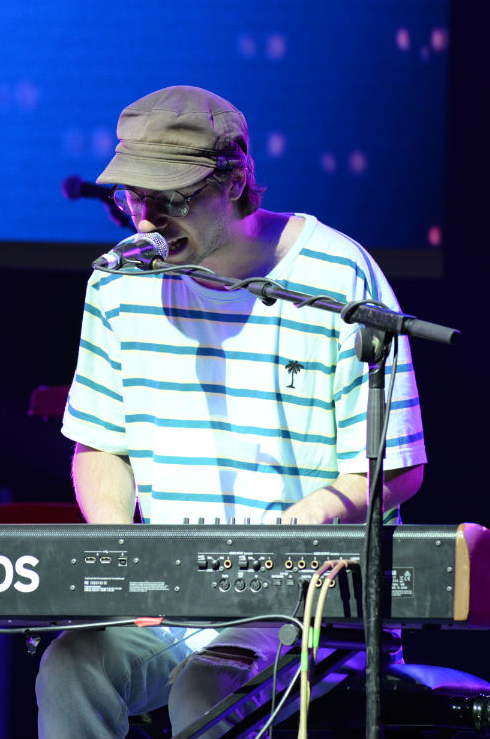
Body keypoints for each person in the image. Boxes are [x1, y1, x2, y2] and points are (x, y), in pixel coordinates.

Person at [36, 85, 427, 738]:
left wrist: (292, 531)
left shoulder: (338, 278)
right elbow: (101, 445)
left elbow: (396, 468)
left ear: (236, 181)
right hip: (171, 599)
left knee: (205, 688)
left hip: (306, 602)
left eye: (170, 199)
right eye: (133, 198)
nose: (145, 221)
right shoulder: (120, 280)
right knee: (72, 667)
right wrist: (123, 558)